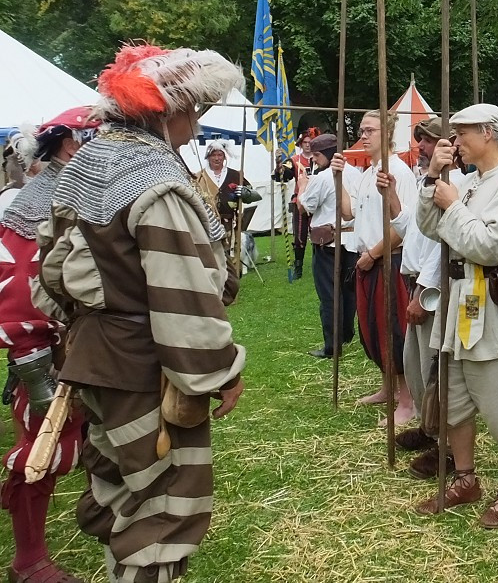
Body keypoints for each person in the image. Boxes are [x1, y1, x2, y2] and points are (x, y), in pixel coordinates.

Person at [36, 42, 246, 583]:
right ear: (165, 109)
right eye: (194, 111)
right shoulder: (154, 180)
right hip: (143, 370)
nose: (197, 126)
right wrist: (218, 372)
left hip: (94, 360)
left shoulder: (88, 162)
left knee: (122, 496)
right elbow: (181, 294)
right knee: (159, 513)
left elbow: (52, 271)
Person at [414, 103, 498, 529]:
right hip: (457, 301)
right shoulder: (466, 183)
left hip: (490, 305)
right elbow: (427, 226)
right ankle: (465, 479)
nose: (456, 141)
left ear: (487, 132)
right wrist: (433, 182)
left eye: (462, 133)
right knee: (455, 399)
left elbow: (492, 246)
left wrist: (453, 206)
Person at [1, 107, 99, 583]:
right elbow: (15, 295)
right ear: (71, 144)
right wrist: (38, 370)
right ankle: (30, 558)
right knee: (44, 449)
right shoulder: (36, 203)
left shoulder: (93, 190)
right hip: (55, 354)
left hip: (100, 347)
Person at [378, 117, 453, 476]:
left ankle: (447, 447)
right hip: (418, 285)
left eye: (426, 141)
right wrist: (390, 193)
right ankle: (429, 429)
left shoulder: (455, 184)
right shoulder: (429, 183)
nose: (420, 147)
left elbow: (445, 245)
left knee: (435, 370)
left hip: (432, 291)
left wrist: (423, 293)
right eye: (420, 140)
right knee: (416, 367)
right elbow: (410, 225)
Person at [335, 110, 416, 423]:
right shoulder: (370, 173)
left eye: (370, 131)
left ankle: (407, 402)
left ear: (388, 133)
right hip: (367, 260)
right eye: (362, 130)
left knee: (394, 330)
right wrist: (338, 178)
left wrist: (375, 254)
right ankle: (389, 388)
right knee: (373, 329)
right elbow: (347, 214)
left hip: (389, 261)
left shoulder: (399, 173)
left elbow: (403, 225)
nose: (364, 136)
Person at [298, 133, 358, 358]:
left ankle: (333, 345)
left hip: (329, 244)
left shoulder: (322, 178)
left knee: (330, 295)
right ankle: (346, 334)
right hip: (352, 242)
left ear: (325, 154)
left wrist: (303, 186)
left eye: (315, 155)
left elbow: (306, 207)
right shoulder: (357, 173)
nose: (313, 160)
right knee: (347, 291)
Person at [275, 127, 320, 279]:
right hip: (299, 200)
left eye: (311, 142)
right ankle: (298, 268)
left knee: (319, 233)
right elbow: (283, 176)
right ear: (301, 144)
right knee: (299, 236)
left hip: (318, 202)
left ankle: (319, 264)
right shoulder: (294, 160)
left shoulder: (321, 158)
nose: (308, 145)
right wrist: (278, 163)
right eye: (305, 142)